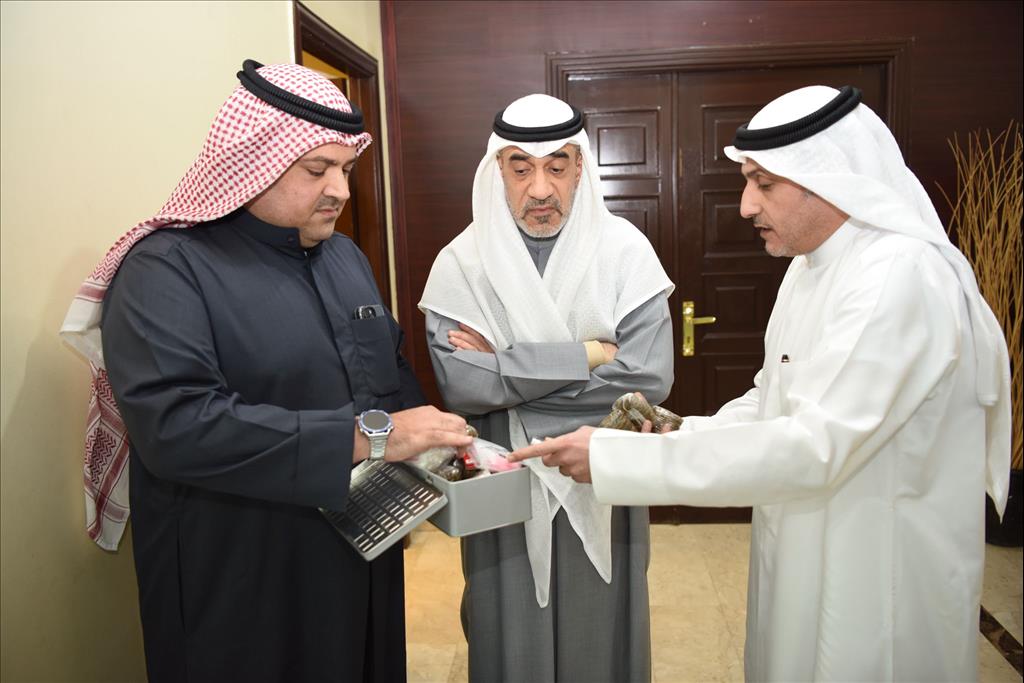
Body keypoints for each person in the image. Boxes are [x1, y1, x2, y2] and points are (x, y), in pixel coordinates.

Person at [511, 85, 1012, 682]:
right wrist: (672, 433)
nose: (746, 206)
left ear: (830, 181)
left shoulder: (900, 275)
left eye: (765, 184)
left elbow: (817, 443)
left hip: (879, 566)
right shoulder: (808, 267)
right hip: (805, 536)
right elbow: (773, 401)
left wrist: (614, 459)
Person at [59, 60, 472, 682]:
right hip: (240, 566)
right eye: (317, 169)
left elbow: (386, 372)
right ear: (252, 160)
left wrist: (439, 451)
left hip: (363, 544)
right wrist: (370, 438)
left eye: (346, 169)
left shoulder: (345, 257)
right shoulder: (165, 269)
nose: (340, 190)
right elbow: (177, 428)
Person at [418, 94, 674, 682]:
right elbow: (462, 386)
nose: (540, 189)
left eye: (557, 167)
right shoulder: (462, 263)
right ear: (497, 170)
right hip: (502, 475)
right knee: (509, 630)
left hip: (602, 466)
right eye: (521, 169)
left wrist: (504, 370)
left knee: (603, 623)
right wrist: (591, 354)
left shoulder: (624, 251)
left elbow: (648, 376)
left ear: (580, 167)